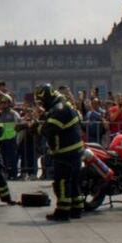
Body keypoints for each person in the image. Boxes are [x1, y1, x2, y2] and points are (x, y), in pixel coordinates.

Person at [36, 83, 84, 221]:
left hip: (65, 152)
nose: (42, 104)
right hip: (74, 149)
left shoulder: (59, 109)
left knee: (62, 182)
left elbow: (50, 130)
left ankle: (62, 212)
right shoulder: (64, 105)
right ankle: (77, 209)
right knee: (74, 181)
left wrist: (36, 128)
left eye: (42, 101)